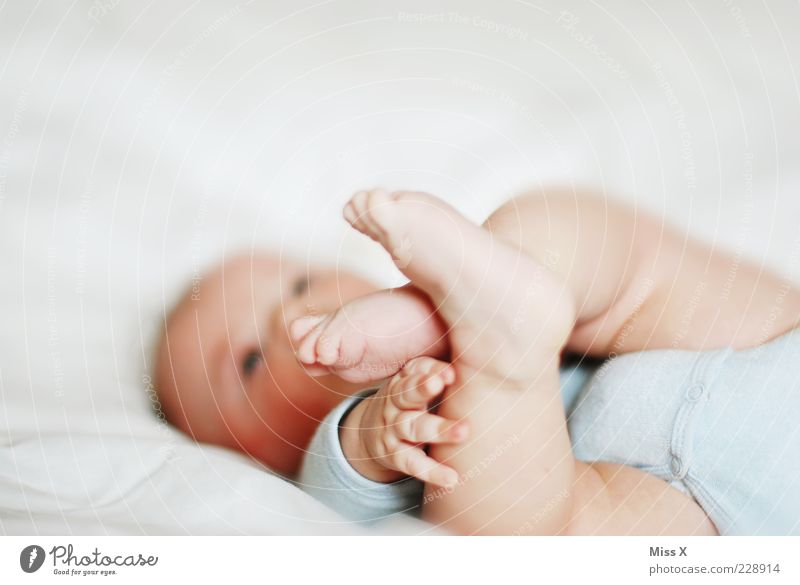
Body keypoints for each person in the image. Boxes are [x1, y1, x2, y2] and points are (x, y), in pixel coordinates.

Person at [154, 187, 800, 534]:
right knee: (511, 535)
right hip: (706, 518)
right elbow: (348, 467)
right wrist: (371, 436)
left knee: (564, 231)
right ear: (247, 452)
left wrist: (503, 266)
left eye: (298, 285)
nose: (289, 319)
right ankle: (504, 354)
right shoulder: (342, 461)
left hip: (765, 351)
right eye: (247, 361)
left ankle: (515, 279)